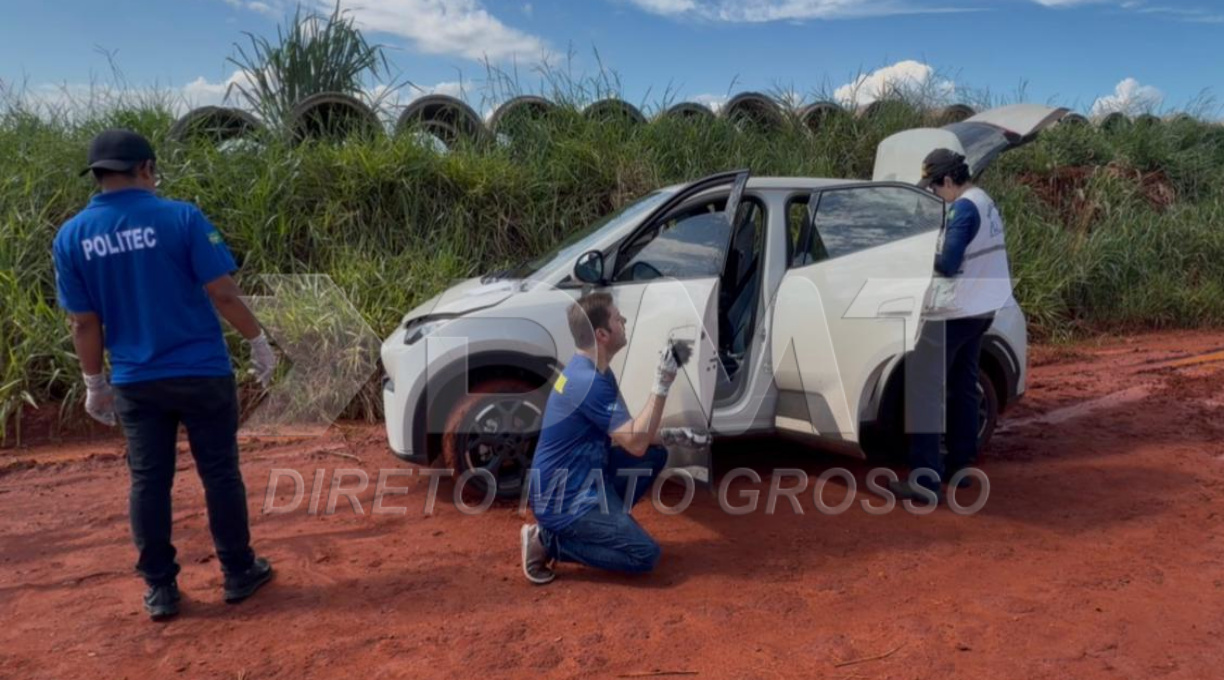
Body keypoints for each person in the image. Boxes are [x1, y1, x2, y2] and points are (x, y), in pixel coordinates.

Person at [53, 129, 277, 620]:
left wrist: (94, 384)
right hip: (202, 372)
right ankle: (239, 571)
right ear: (146, 168)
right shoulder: (181, 217)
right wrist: (258, 342)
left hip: (135, 381)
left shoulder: (72, 237)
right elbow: (223, 292)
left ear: (98, 175)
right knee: (219, 472)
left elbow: (84, 323)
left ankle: (160, 588)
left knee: (149, 481)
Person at [520, 292, 681, 584]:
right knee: (645, 555)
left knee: (655, 454)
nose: (624, 320)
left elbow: (629, 433)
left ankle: (605, 524)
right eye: (618, 318)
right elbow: (635, 442)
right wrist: (661, 384)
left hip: (583, 478)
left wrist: (672, 435)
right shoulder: (589, 382)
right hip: (565, 499)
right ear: (602, 334)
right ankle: (547, 540)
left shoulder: (595, 372)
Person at [890, 148, 1014, 502]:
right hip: (983, 308)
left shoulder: (962, 210)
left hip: (955, 310)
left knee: (924, 389)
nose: (933, 193)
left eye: (934, 186)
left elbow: (947, 263)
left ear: (948, 180)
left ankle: (925, 481)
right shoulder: (984, 201)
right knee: (963, 383)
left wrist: (915, 253)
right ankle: (960, 468)